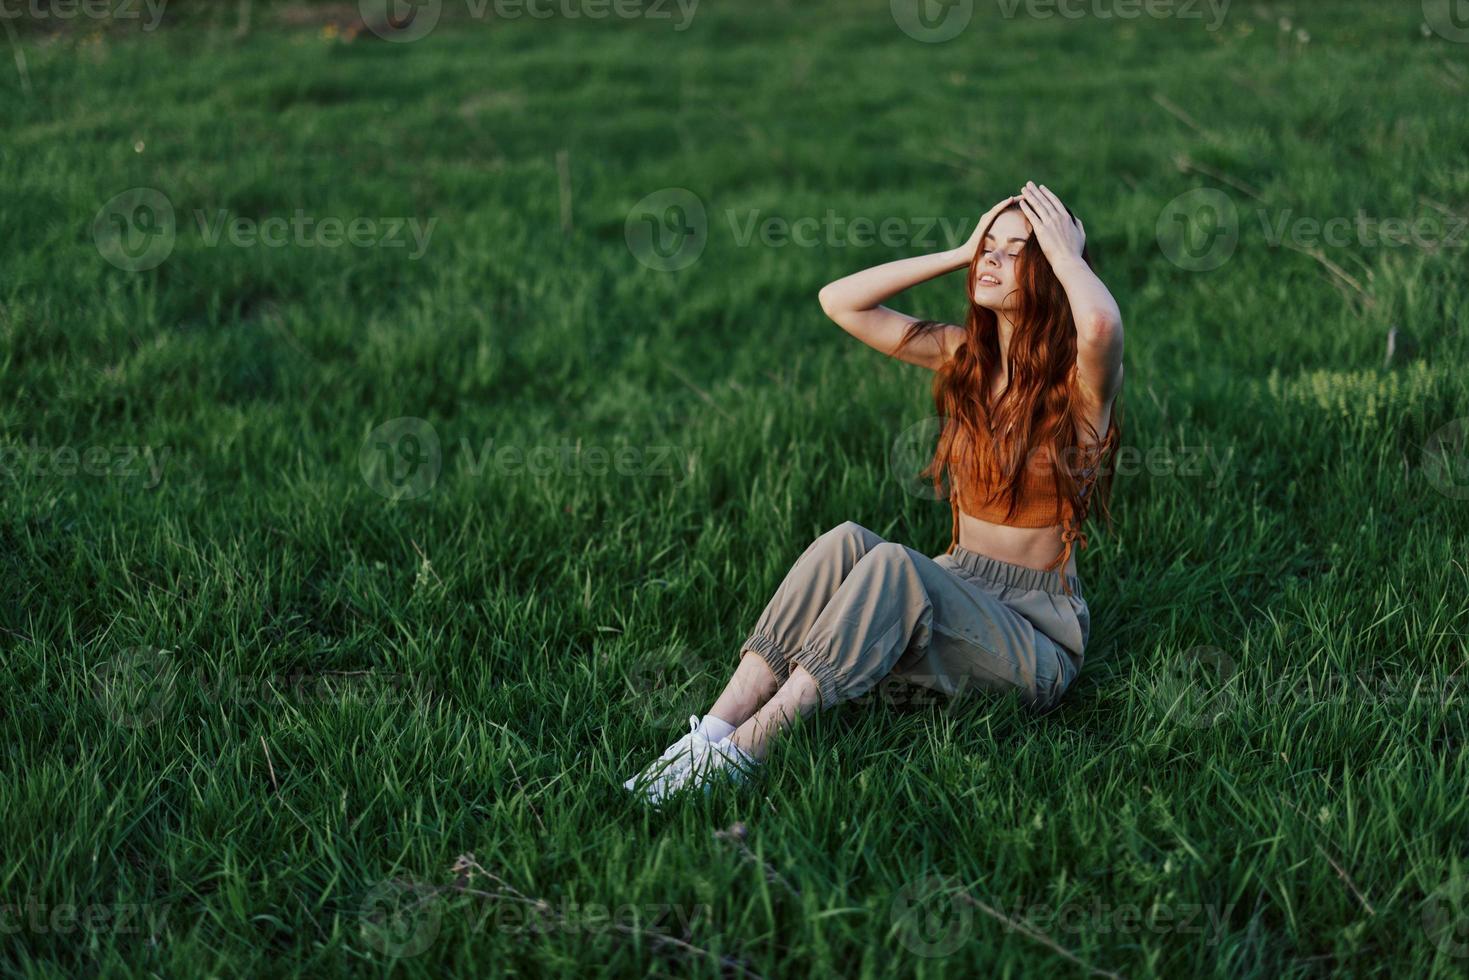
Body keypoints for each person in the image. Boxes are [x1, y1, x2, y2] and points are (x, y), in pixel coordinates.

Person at [623, 182, 1124, 804]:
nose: (991, 258)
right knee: (845, 544)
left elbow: (1100, 322)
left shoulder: (1080, 387)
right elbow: (841, 302)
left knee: (892, 565)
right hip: (960, 584)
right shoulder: (965, 356)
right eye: (988, 245)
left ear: (1052, 269)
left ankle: (747, 751)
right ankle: (713, 732)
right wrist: (960, 251)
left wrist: (1069, 254)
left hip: (1035, 637)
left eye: (1017, 250)